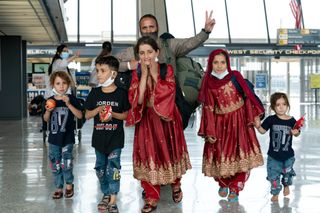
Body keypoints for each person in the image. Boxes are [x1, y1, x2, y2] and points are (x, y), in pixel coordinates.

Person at [126, 36, 191, 213]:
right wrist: (144, 76)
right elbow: (137, 100)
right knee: (148, 156)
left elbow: (168, 93)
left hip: (167, 120)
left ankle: (175, 184)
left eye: (149, 52)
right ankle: (151, 196)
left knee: (170, 153)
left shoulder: (166, 69)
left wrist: (154, 75)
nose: (146, 56)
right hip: (147, 120)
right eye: (141, 53)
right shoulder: (136, 73)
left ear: (157, 52)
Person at [197, 49, 265, 202]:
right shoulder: (208, 82)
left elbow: (248, 95)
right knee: (221, 154)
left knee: (240, 153)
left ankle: (235, 187)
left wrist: (254, 116)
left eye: (223, 62)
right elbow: (208, 108)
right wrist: (210, 130)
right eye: (215, 62)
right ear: (210, 64)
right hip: (220, 124)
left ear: (227, 62)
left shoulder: (235, 76)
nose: (220, 66)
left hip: (240, 122)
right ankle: (223, 183)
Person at [85, 56, 130, 213]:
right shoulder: (95, 93)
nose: (99, 74)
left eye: (103, 71)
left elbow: (126, 115)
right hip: (98, 140)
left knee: (114, 168)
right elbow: (87, 115)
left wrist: (113, 115)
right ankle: (105, 192)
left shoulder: (121, 94)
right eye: (97, 71)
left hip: (115, 140)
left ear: (113, 74)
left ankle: (113, 197)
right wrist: (98, 110)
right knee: (100, 169)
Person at [116, 11, 215, 72]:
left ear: (157, 27)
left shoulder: (170, 45)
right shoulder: (132, 51)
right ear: (140, 30)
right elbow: (108, 64)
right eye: (144, 28)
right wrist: (128, 65)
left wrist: (205, 31)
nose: (148, 31)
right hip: (143, 102)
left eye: (151, 27)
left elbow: (190, 43)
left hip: (169, 100)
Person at [43, 71, 83, 199]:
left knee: (67, 162)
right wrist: (48, 111)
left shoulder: (72, 99)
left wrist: (69, 104)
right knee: (55, 163)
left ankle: (69, 185)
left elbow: (80, 115)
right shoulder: (50, 101)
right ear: (53, 85)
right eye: (58, 83)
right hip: (54, 139)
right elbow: (45, 119)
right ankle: (58, 187)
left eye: (64, 83)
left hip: (68, 138)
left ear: (68, 85)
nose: (61, 86)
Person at [255, 92, 301, 202]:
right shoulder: (271, 119)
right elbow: (262, 131)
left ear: (287, 105)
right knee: (273, 176)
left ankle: (286, 185)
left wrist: (296, 132)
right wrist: (257, 125)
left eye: (284, 104)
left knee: (287, 175)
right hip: (273, 156)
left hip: (288, 156)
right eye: (278, 105)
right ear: (273, 107)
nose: (281, 107)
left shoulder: (291, 120)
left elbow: (297, 132)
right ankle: (275, 192)